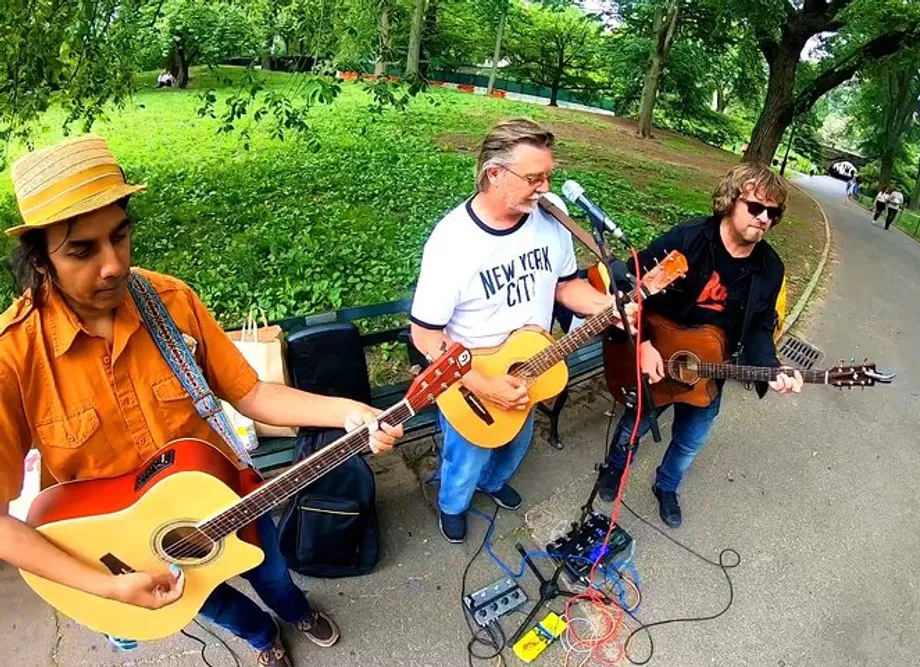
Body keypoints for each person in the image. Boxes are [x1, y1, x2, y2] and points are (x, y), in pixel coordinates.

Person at [0, 135, 403, 667]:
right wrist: (107, 588)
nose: (113, 265)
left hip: (228, 497)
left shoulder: (170, 302)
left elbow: (252, 392)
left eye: (120, 237)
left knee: (274, 571)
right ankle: (264, 639)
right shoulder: (13, 354)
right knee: (211, 604)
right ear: (39, 259)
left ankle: (296, 611)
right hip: (131, 548)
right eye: (81, 250)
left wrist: (352, 414)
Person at [409, 118, 629, 544]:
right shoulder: (452, 242)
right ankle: (452, 505)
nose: (545, 187)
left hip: (532, 360)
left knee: (516, 442)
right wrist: (483, 384)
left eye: (549, 175)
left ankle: (492, 484)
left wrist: (608, 307)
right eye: (533, 178)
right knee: (465, 457)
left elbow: (566, 285)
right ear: (494, 174)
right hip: (471, 378)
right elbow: (425, 336)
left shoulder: (551, 218)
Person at [597, 164, 804, 528]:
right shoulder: (688, 239)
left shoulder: (770, 268)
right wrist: (643, 343)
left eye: (774, 212)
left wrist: (771, 368)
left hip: (707, 370)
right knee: (633, 428)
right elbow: (628, 287)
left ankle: (666, 486)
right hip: (655, 354)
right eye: (756, 207)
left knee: (691, 441)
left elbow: (759, 325)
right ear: (730, 200)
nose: (765, 218)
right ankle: (613, 470)